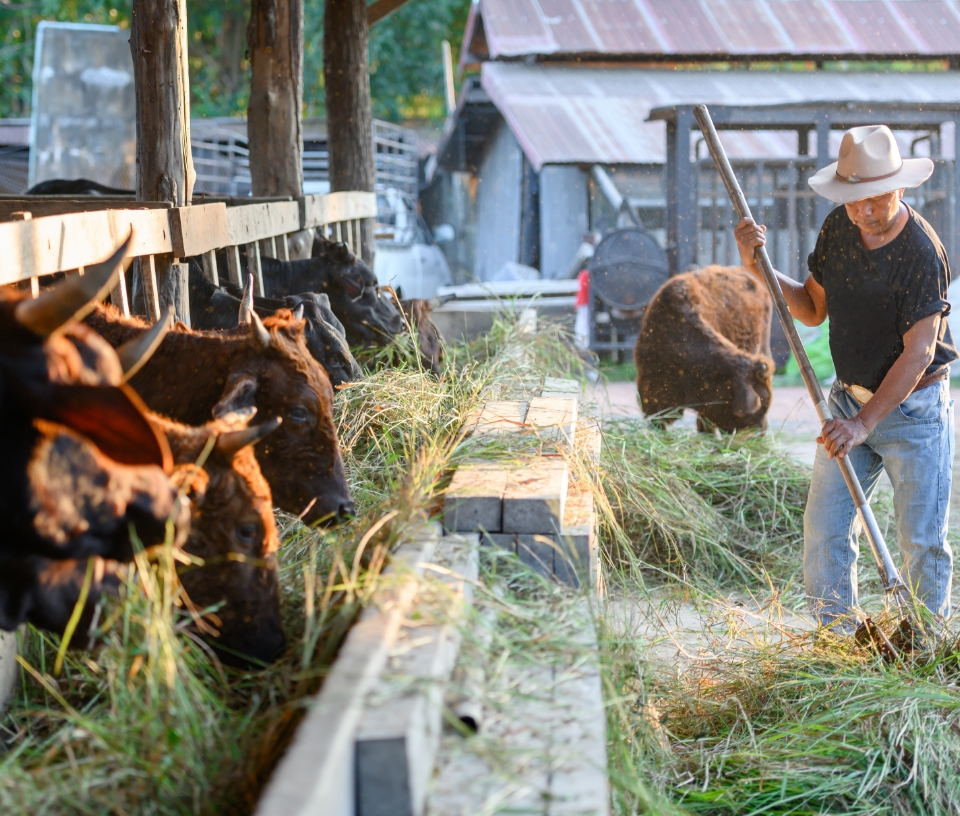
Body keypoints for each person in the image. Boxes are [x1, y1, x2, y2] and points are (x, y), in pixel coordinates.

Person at [734, 124, 957, 628]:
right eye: (854, 200)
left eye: (875, 199)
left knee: (920, 540)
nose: (865, 212)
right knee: (825, 529)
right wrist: (757, 265)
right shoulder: (838, 228)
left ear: (899, 189)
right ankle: (838, 639)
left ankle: (927, 646)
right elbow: (812, 309)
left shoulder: (922, 252)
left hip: (911, 410)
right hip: (845, 403)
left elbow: (919, 353)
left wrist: (863, 424)